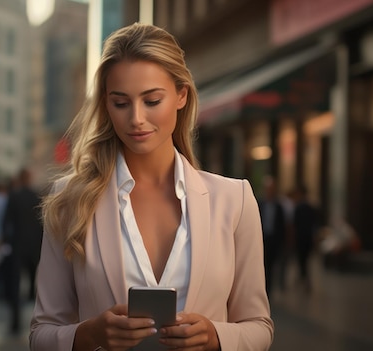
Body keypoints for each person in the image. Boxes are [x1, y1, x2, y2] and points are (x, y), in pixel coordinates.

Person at [30, 23, 273, 351]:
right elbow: (41, 333)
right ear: (106, 104)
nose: (136, 118)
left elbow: (259, 327)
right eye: (121, 103)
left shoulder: (234, 200)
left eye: (152, 100)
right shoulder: (69, 200)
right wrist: (89, 334)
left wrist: (217, 337)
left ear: (181, 95)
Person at [1, 168, 43, 333]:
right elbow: (43, 222)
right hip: (34, 247)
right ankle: (36, 319)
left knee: (16, 283)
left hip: (18, 246)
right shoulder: (37, 196)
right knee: (33, 283)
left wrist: (5, 242)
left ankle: (16, 319)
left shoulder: (14, 196)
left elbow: (6, 222)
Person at [258, 176, 286, 295]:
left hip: (274, 240)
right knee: (262, 266)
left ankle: (269, 289)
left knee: (271, 266)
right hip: (262, 239)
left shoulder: (278, 206)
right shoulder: (260, 204)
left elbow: (282, 224)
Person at [292, 185, 318, 292]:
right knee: (305, 260)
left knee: (302, 260)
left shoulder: (299, 207)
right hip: (307, 237)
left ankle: (304, 279)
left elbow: (295, 224)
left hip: (301, 237)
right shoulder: (310, 207)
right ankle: (305, 279)